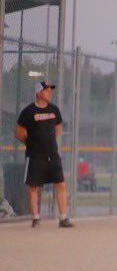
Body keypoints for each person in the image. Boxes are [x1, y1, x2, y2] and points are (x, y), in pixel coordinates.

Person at [15, 80, 73, 228]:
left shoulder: (54, 110)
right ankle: (35, 218)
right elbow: (19, 133)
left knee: (60, 184)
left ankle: (63, 217)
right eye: (47, 90)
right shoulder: (28, 111)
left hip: (52, 155)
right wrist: (32, 143)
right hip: (35, 156)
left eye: (50, 90)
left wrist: (49, 141)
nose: (50, 92)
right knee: (33, 186)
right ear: (39, 93)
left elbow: (58, 129)